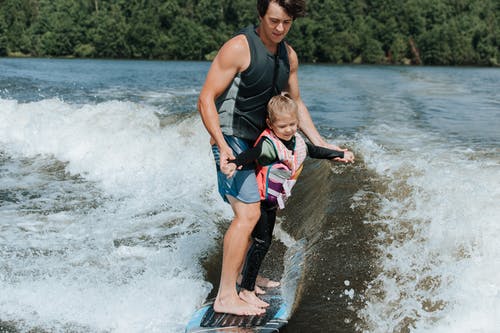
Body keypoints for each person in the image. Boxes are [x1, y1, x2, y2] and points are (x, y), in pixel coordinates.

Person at [197, 0, 354, 316]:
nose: (280, 28)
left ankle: (244, 277)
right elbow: (205, 99)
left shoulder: (288, 57)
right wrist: (222, 146)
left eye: (286, 22)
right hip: (231, 139)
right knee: (249, 214)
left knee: (257, 210)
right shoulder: (239, 48)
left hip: (260, 143)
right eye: (273, 21)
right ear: (260, 16)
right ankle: (226, 295)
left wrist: (323, 144)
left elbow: (296, 104)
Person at [226, 93, 354, 307]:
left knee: (259, 242)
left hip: (271, 202)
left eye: (293, 124)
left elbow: (314, 150)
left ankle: (248, 279)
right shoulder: (270, 144)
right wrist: (235, 162)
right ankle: (246, 290)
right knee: (261, 243)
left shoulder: (296, 141)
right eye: (283, 126)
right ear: (270, 123)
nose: (289, 130)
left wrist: (337, 154)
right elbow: (253, 153)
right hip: (260, 201)